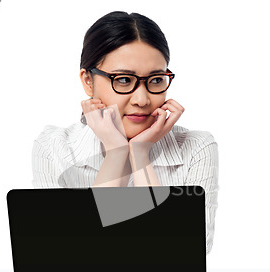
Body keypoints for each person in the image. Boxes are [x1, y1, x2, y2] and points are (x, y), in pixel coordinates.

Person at [32, 11, 219, 254]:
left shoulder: (197, 147)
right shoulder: (54, 147)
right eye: (122, 80)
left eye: (155, 80)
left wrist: (140, 152)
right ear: (88, 81)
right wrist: (116, 153)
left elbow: (186, 255)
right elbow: (70, 256)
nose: (142, 100)